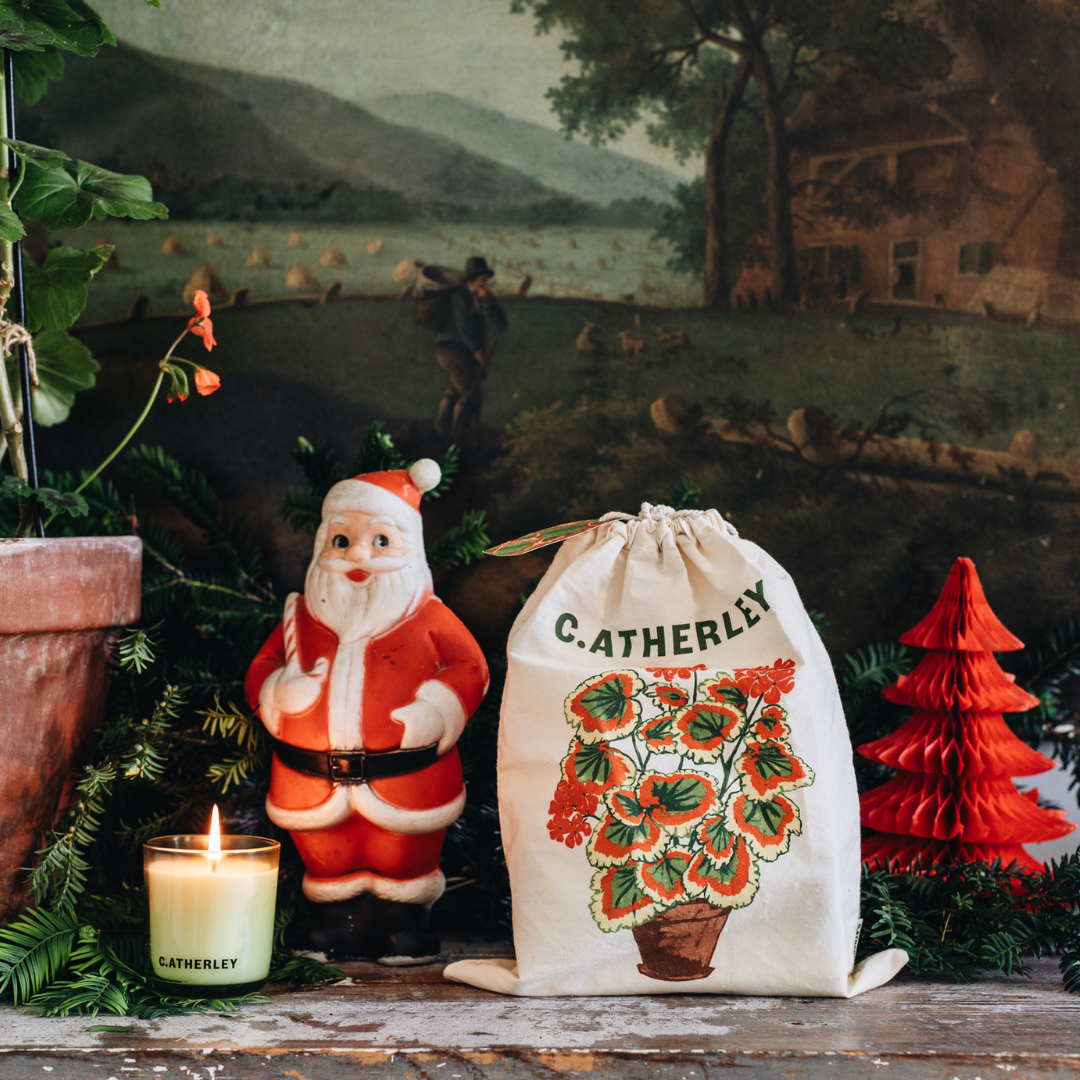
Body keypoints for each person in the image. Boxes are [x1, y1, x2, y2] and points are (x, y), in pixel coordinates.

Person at [245, 459, 488, 963]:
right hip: (310, 781)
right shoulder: (300, 618)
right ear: (322, 544)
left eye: (380, 540)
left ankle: (403, 919)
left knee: (400, 856)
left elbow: (471, 667)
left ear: (410, 548)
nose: (359, 554)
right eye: (342, 540)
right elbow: (263, 667)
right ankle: (335, 919)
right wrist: (278, 690)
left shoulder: (429, 618)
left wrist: (437, 707)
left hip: (407, 780)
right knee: (326, 856)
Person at [434, 255, 507, 441]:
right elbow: (463, 327)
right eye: (480, 276)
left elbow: (500, 327)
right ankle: (457, 438)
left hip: (462, 351)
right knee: (470, 394)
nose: (484, 279)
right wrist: (478, 351)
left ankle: (440, 431)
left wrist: (488, 303)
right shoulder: (460, 296)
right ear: (472, 278)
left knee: (454, 390)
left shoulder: (482, 296)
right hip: (452, 349)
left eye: (485, 276)